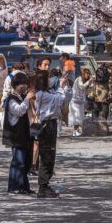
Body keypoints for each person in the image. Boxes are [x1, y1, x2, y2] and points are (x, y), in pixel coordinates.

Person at [34, 69, 72, 198]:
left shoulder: (49, 92)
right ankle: (43, 186)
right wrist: (61, 86)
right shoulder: (41, 94)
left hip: (52, 123)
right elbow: (59, 100)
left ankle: (45, 183)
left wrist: (65, 86)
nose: (52, 79)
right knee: (47, 155)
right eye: (49, 77)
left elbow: (65, 98)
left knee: (51, 154)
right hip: (46, 125)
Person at [2, 72, 36, 195]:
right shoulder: (11, 99)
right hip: (16, 135)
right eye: (20, 83)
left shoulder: (23, 97)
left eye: (25, 83)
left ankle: (23, 186)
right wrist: (27, 99)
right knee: (18, 161)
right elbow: (19, 111)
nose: (23, 86)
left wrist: (29, 99)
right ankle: (14, 186)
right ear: (15, 85)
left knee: (25, 163)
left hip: (25, 134)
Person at [30, 57, 53, 175]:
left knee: (42, 143)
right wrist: (35, 112)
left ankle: (42, 167)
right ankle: (34, 165)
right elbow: (31, 96)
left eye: (48, 65)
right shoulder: (36, 78)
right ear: (39, 65)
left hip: (43, 116)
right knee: (36, 142)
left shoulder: (46, 79)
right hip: (36, 115)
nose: (47, 67)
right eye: (45, 65)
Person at [69, 68, 92, 137]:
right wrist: (89, 81)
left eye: (88, 73)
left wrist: (91, 83)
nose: (88, 75)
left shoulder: (86, 81)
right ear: (83, 73)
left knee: (80, 117)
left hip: (80, 100)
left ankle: (78, 131)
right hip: (75, 100)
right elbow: (82, 87)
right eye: (86, 73)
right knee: (76, 116)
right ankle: (75, 131)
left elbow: (87, 89)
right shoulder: (79, 79)